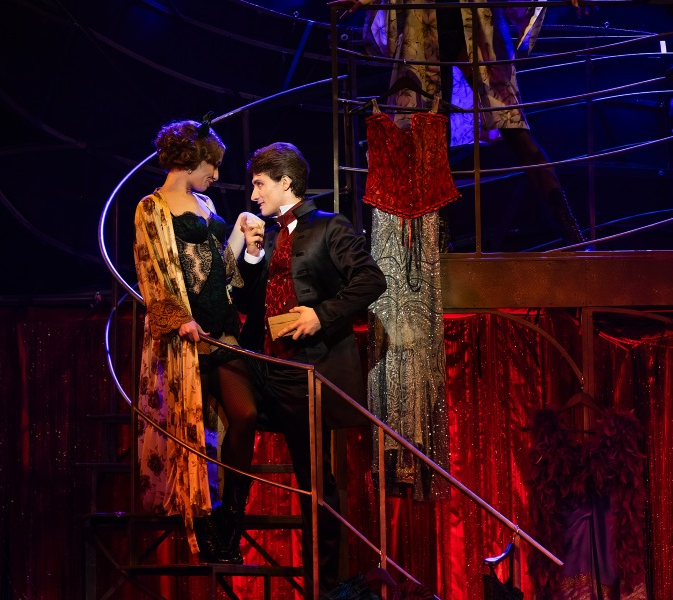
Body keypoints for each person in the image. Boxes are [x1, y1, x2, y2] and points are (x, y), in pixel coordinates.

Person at [232, 142, 387, 596]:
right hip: (266, 365)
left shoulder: (329, 226)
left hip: (305, 372)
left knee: (314, 480)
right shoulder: (268, 235)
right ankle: (225, 525)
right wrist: (252, 257)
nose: (254, 195)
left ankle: (324, 584)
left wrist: (321, 315)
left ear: (285, 182)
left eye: (260, 184)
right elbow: (249, 305)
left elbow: (371, 279)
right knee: (217, 380)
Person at [331, 0, 587, 248]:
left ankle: (572, 234)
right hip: (425, 26)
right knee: (432, 145)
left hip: (475, 24)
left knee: (517, 131)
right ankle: (443, 247)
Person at [132, 116, 265, 564]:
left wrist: (243, 239)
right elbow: (151, 270)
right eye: (213, 164)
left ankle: (232, 517)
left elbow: (223, 270)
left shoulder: (206, 203)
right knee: (191, 432)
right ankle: (205, 526)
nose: (216, 174)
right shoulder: (151, 207)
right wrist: (178, 319)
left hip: (222, 328)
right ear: (191, 160)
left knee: (244, 415)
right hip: (186, 336)